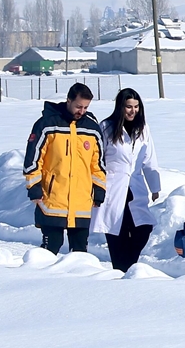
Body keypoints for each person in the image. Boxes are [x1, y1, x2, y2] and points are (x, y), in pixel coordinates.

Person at [23, 83, 107, 255]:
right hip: (51, 201)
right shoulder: (47, 125)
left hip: (81, 204)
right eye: (78, 106)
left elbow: (97, 165)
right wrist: (35, 188)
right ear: (68, 100)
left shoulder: (92, 129)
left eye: (85, 107)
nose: (81, 111)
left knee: (80, 254)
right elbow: (33, 161)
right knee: (50, 249)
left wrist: (99, 189)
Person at [91, 88, 162, 272]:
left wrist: (155, 186)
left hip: (135, 186)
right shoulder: (106, 127)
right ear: (120, 107)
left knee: (143, 228)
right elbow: (97, 159)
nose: (133, 111)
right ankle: (121, 270)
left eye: (136, 107)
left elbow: (149, 159)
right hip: (113, 187)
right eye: (129, 107)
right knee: (117, 233)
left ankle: (128, 265)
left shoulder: (143, 128)